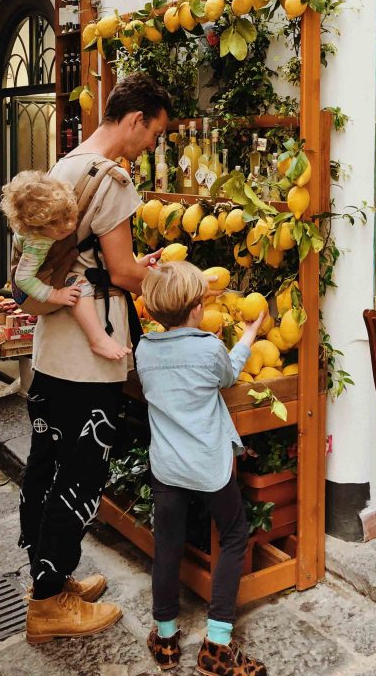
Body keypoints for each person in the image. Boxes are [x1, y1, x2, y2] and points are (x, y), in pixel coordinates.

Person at [21, 71, 172, 645]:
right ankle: (48, 602)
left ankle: (51, 579)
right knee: (82, 474)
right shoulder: (113, 179)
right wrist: (177, 282)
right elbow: (125, 273)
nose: (151, 145)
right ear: (135, 120)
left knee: (48, 464)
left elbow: (90, 259)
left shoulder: (68, 163)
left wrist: (131, 265)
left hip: (54, 346)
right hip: (90, 356)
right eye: (153, 133)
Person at [138, 261, 268, 676]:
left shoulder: (144, 349)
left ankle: (166, 638)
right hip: (210, 467)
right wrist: (248, 335)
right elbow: (228, 376)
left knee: (168, 545)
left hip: (167, 467)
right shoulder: (210, 348)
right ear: (197, 309)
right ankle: (217, 644)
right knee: (233, 537)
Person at [0, 170, 131, 361]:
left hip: (40, 278)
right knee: (79, 285)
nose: (70, 226)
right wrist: (55, 294)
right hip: (31, 293)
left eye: (72, 217)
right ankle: (97, 338)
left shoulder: (47, 223)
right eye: (61, 229)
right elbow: (22, 278)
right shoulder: (37, 243)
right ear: (38, 228)